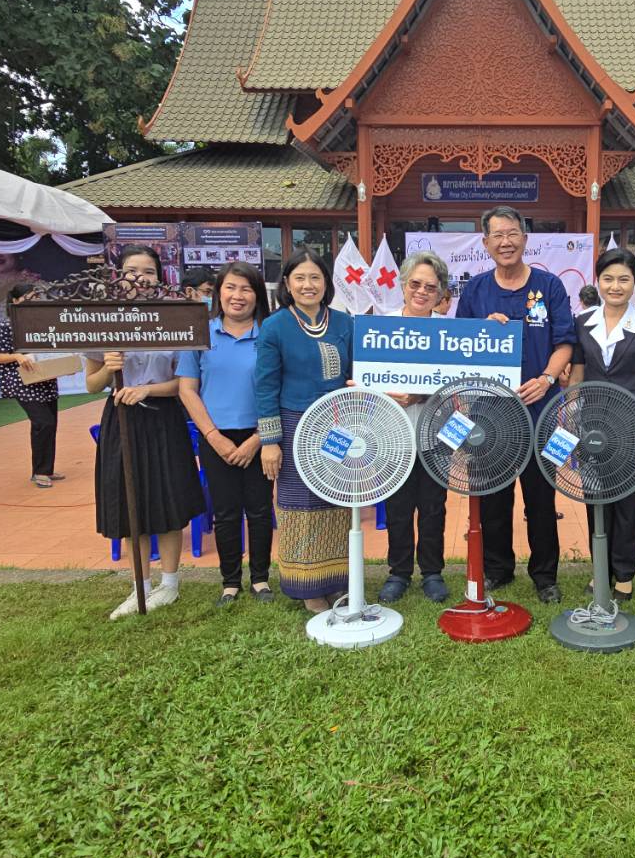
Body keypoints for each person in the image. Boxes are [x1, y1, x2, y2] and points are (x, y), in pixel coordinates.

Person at [455, 205, 575, 604]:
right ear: (485, 242)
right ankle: (497, 569)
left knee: (541, 499)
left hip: (542, 410)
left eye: (512, 234)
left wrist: (546, 378)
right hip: (490, 412)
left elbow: (565, 342)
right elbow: (460, 346)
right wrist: (481, 332)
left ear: (524, 238)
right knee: (494, 497)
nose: (505, 242)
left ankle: (545, 576)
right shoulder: (475, 291)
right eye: (497, 235)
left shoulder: (549, 286)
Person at [85, 245, 207, 619]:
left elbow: (184, 382)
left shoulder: (175, 319)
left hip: (163, 417)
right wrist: (109, 367)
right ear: (119, 275)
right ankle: (139, 585)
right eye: (132, 270)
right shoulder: (102, 320)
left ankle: (170, 584)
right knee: (130, 503)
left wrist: (147, 390)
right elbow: (91, 384)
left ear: (159, 277)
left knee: (168, 499)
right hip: (121, 418)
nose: (140, 277)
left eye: (149, 271)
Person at [256, 247, 356, 614]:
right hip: (294, 425)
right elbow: (265, 386)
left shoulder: (345, 323)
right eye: (300, 278)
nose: (308, 285)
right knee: (301, 504)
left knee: (338, 501)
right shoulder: (275, 326)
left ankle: (338, 580)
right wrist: (270, 442)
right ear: (287, 283)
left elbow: (358, 371)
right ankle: (307, 586)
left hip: (338, 424)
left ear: (326, 283)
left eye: (315, 277)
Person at [569, 247, 635, 600]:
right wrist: (570, 419)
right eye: (608, 278)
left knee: (627, 503)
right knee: (595, 500)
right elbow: (577, 376)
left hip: (631, 427)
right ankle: (600, 571)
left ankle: (624, 574)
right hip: (592, 427)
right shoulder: (583, 323)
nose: (615, 286)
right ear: (598, 281)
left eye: (624, 279)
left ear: (634, 282)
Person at [178, 262, 275, 609]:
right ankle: (230, 582)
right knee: (226, 512)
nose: (238, 296)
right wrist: (213, 436)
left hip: (260, 437)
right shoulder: (201, 334)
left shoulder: (269, 335)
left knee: (260, 511)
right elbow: (188, 389)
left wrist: (257, 439)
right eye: (230, 287)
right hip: (215, 436)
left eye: (246, 288)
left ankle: (260, 578)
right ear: (218, 293)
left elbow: (278, 389)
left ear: (257, 295)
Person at [378, 252, 453, 605]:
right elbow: (367, 377)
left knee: (433, 507)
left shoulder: (450, 332)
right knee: (398, 508)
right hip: (394, 435)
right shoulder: (381, 327)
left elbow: (458, 381)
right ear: (403, 285)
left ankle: (432, 572)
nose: (422, 292)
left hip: (436, 435)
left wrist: (421, 393)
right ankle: (399, 572)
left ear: (440, 293)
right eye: (415, 284)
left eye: (430, 287)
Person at [0, 283, 66, 489]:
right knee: (43, 422)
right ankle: (40, 472)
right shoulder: (7, 326)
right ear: (15, 301)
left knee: (49, 424)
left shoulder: (41, 324)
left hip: (45, 379)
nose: (33, 301)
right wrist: (17, 356)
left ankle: (45, 469)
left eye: (36, 297)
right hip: (22, 382)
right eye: (28, 297)